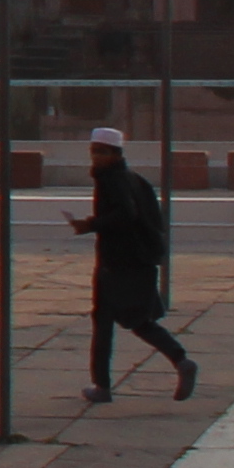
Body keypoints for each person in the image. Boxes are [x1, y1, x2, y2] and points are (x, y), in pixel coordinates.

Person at [67, 122, 197, 403]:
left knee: (118, 322)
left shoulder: (112, 180)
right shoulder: (134, 180)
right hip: (136, 263)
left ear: (115, 154)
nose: (96, 158)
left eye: (101, 152)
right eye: (93, 152)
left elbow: (126, 215)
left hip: (119, 265)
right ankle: (179, 361)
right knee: (132, 321)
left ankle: (104, 386)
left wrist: (90, 225)